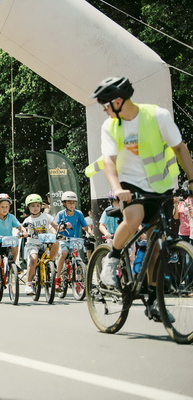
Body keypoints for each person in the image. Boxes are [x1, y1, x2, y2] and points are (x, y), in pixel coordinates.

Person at [90, 76, 193, 319]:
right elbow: (109, 161)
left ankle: (153, 300)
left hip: (161, 186)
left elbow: (180, 148)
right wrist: (117, 188)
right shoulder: (110, 127)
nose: (104, 110)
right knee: (134, 217)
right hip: (130, 184)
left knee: (156, 246)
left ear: (118, 101)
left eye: (105, 105)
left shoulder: (157, 116)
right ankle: (112, 259)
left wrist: (192, 180)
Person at [22, 194, 59, 296]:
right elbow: (22, 228)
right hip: (32, 244)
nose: (35, 208)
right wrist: (23, 232)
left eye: (37, 205)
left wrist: (62, 227)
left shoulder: (46, 216)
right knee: (34, 259)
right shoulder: (28, 220)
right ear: (28, 207)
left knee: (56, 242)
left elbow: (55, 225)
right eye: (32, 206)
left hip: (45, 242)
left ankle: (51, 261)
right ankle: (29, 284)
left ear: (41, 206)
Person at [54, 191, 91, 292]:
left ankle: (79, 281)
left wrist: (90, 233)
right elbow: (55, 226)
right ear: (64, 204)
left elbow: (86, 226)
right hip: (63, 239)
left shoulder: (79, 214)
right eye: (69, 203)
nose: (72, 205)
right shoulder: (61, 214)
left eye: (73, 203)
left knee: (77, 258)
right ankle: (57, 278)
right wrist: (61, 228)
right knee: (64, 253)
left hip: (75, 239)